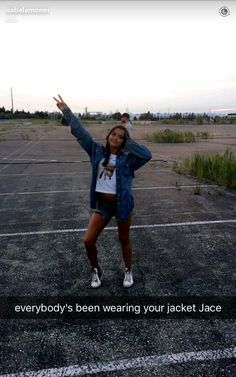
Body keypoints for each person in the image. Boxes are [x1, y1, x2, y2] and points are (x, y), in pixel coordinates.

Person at [53, 95, 152, 289]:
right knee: (88, 241)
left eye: (120, 137)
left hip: (122, 204)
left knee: (124, 239)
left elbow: (147, 155)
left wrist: (127, 142)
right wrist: (66, 111)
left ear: (124, 141)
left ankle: (128, 270)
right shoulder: (96, 151)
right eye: (113, 134)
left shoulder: (129, 160)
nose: (116, 137)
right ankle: (96, 270)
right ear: (108, 136)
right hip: (103, 205)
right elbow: (81, 133)